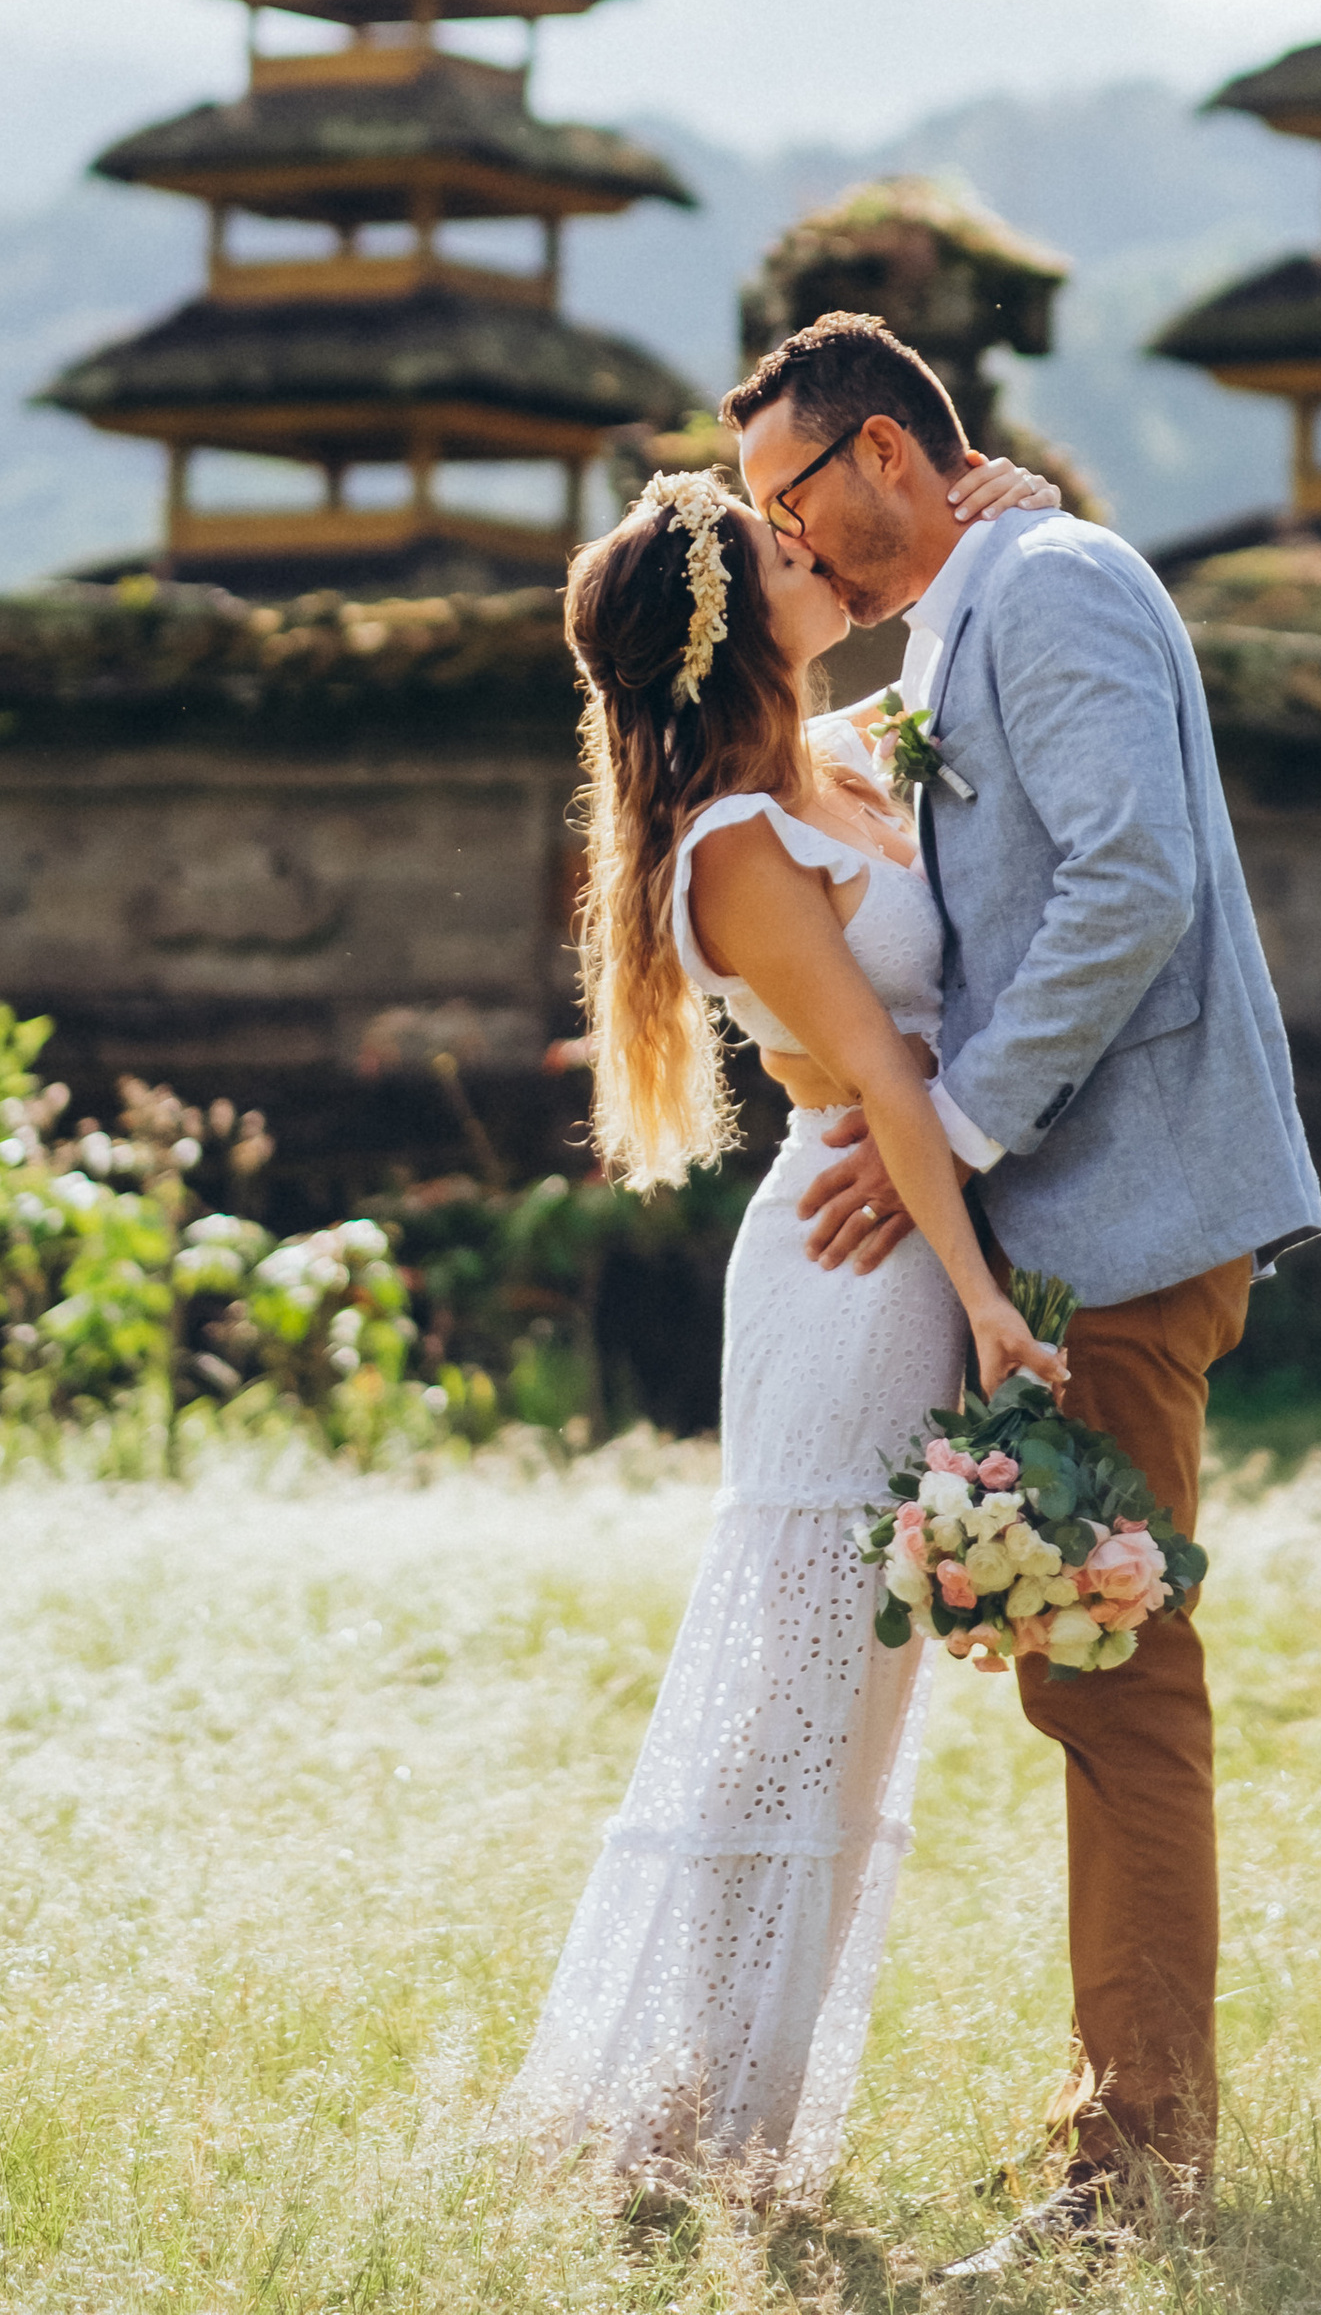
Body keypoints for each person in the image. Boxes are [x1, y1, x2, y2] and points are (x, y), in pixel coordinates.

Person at [723, 312, 1321, 2270]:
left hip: (1126, 1220)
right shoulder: (992, 599)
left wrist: (959, 1129)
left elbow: (1128, 879)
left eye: (789, 502)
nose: (786, 548)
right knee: (1088, 1678)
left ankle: (1135, 2172)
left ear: (886, 451)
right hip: (1084, 1228)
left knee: (1118, 1687)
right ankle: (1118, 2125)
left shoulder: (1045, 587)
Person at [494, 447, 1069, 2197]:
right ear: (738, 619)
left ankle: (740, 2126)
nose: (818, 543)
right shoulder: (737, 848)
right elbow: (885, 1065)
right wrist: (983, 1298)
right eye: (781, 543)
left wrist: (1013, 529)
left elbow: (955, 691)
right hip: (852, 1268)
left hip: (904, 1227)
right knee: (792, 1700)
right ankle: (680, 2122)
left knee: (855, 1705)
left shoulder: (823, 767)